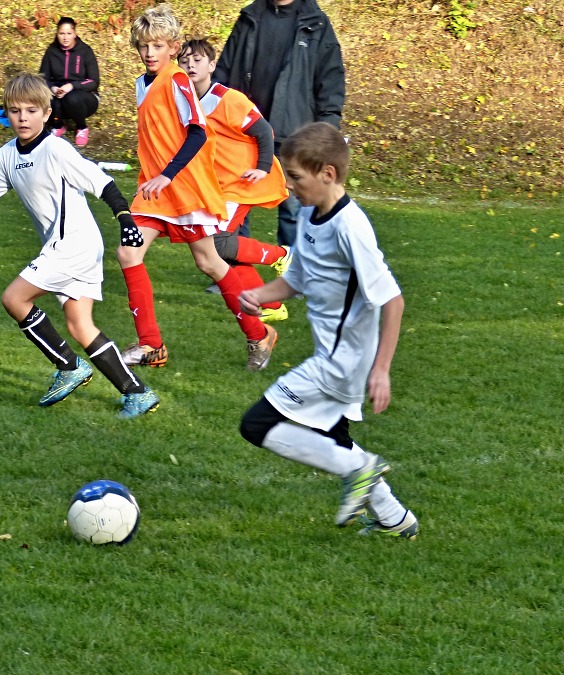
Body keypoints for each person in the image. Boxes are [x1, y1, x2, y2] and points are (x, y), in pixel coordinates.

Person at [0, 73, 159, 419]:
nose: (22, 117)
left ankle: (68, 366)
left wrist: (126, 220)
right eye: (15, 110)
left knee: (14, 298)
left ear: (47, 112)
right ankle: (137, 394)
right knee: (80, 325)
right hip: (69, 245)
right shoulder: (7, 154)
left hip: (74, 245)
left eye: (31, 110)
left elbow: (104, 183)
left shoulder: (56, 149)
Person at [238, 122, 418, 539]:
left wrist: (382, 369)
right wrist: (261, 294)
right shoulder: (308, 215)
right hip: (334, 354)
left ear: (328, 174)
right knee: (332, 435)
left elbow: (392, 300)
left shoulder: (350, 227)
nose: (290, 187)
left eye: (296, 178)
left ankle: (360, 469)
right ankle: (396, 520)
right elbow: (298, 278)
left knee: (257, 424)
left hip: (343, 361)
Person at [116, 4, 279, 373]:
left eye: (157, 45)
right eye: (143, 46)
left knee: (209, 262)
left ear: (173, 48)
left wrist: (168, 174)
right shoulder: (143, 84)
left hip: (184, 188)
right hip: (154, 191)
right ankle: (151, 345)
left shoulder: (177, 81)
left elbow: (197, 132)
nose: (149, 53)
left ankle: (258, 334)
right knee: (128, 254)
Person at [213, 0, 346, 248]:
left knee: (295, 212)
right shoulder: (249, 17)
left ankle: (293, 277)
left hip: (294, 138)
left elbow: (331, 82)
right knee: (234, 210)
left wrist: (326, 133)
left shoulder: (316, 23)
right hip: (243, 135)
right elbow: (223, 73)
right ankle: (233, 277)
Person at [178, 38, 293, 324]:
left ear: (212, 65)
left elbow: (264, 132)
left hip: (240, 182)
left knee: (215, 245)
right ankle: (271, 305)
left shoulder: (227, 99)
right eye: (184, 61)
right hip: (214, 187)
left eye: (198, 60)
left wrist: (263, 168)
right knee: (223, 253)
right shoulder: (184, 101)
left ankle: (281, 254)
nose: (190, 65)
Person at [38, 16, 100, 147]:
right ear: (57, 34)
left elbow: (94, 81)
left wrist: (72, 86)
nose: (65, 37)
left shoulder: (85, 51)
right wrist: (53, 88)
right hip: (58, 94)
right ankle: (58, 125)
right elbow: (42, 78)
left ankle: (81, 127)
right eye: (62, 33)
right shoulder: (51, 51)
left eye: (69, 33)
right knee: (41, 96)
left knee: (71, 98)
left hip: (84, 96)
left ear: (74, 34)